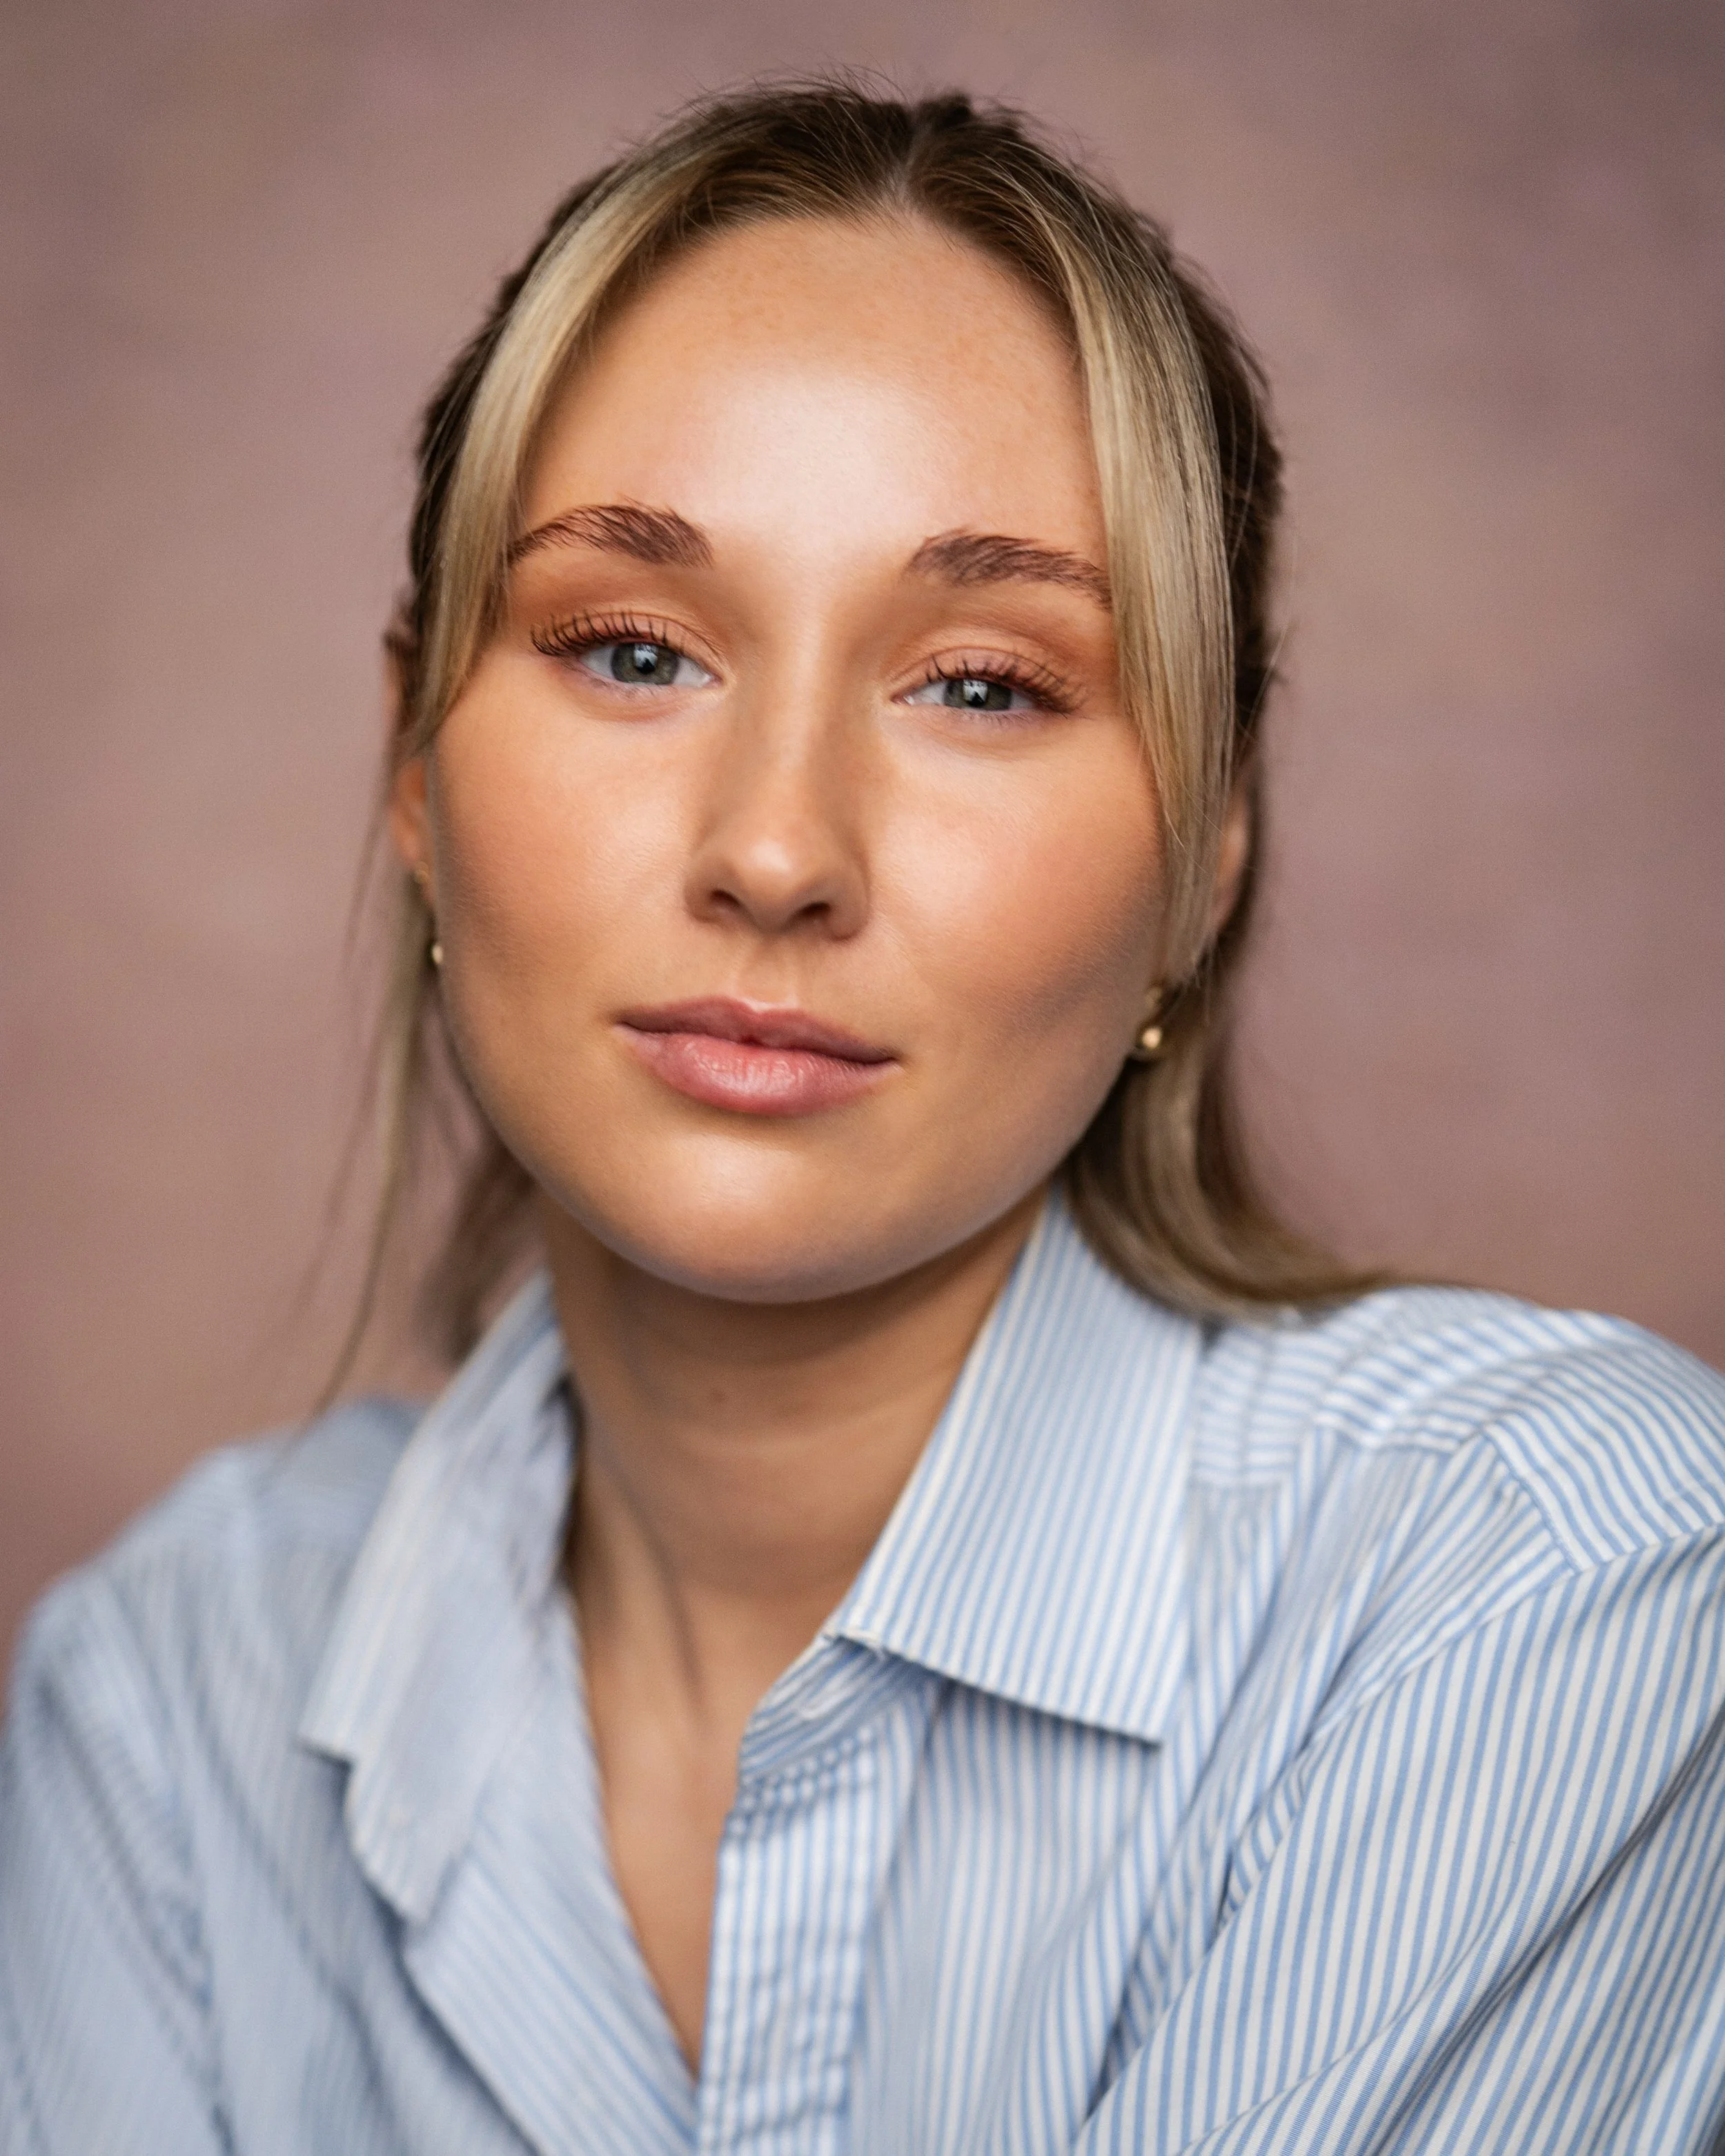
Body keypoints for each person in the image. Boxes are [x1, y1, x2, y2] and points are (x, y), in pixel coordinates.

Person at [3, 80, 1722, 2156]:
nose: (775, 847)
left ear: (1208, 858)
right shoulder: (162, 1692)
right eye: (631, 648)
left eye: (983, 683)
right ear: (412, 776)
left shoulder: (1547, 1566)